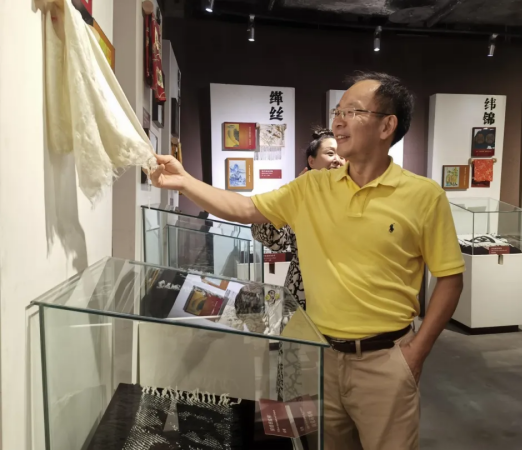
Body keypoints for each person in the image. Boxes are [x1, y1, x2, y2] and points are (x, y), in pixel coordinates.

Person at [150, 71, 465, 450]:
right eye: (338, 111)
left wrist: (417, 352)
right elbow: (245, 208)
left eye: (353, 111)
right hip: (321, 358)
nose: (339, 121)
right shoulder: (313, 186)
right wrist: (185, 181)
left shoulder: (423, 196)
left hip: (386, 361)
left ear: (387, 126)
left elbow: (450, 278)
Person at [251, 127, 345, 309]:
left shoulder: (354, 196)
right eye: (330, 153)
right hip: (304, 286)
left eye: (342, 156)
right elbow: (275, 242)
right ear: (311, 161)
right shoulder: (298, 196)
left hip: (344, 289)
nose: (337, 160)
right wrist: (292, 192)